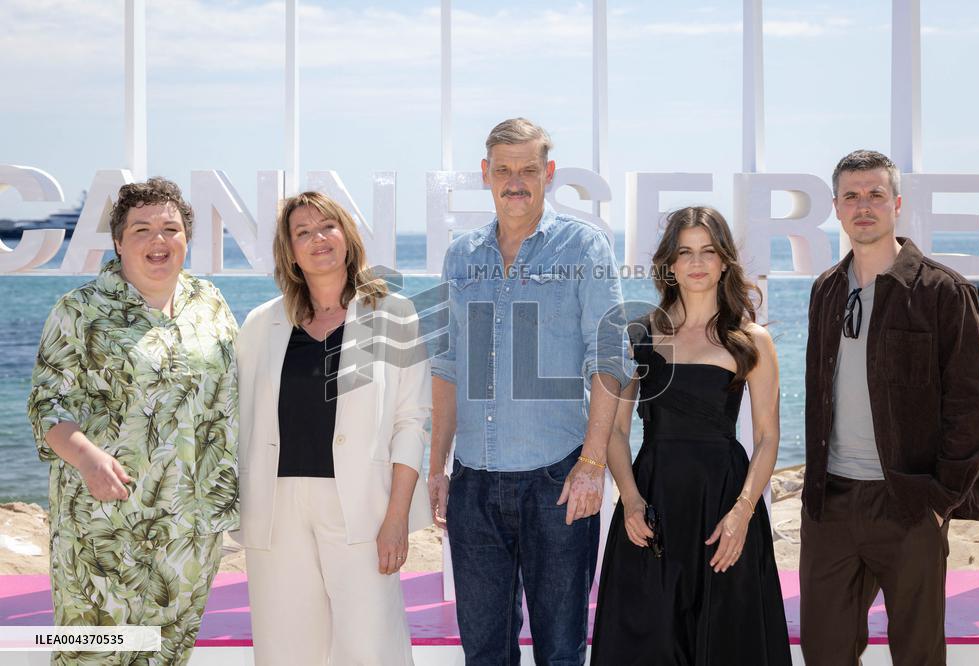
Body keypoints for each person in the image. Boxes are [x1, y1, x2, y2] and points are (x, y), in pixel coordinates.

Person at [427, 117, 630, 664]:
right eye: (503, 170)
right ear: (486, 173)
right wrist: (437, 467)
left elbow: (608, 359)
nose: (515, 182)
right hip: (472, 485)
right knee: (484, 653)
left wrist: (592, 464)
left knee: (560, 651)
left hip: (557, 482)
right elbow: (446, 366)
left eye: (528, 170)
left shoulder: (584, 247)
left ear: (549, 172)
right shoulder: (461, 256)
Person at [26, 178, 239, 665]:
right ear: (119, 242)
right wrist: (87, 457)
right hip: (103, 521)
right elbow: (47, 405)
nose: (158, 240)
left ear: (186, 238)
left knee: (168, 652)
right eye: (141, 229)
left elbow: (232, 400)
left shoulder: (210, 303)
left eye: (170, 228)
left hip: (193, 524)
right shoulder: (78, 311)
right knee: (93, 653)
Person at [800, 149, 979, 664]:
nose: (863, 206)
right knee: (824, 651)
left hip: (910, 503)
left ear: (897, 204)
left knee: (918, 654)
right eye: (851, 196)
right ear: (836, 208)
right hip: (830, 504)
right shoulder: (825, 290)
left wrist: (939, 501)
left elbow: (974, 407)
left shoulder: (942, 291)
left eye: (875, 194)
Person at [234, 191, 432, 665]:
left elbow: (411, 422)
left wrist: (397, 518)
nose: (318, 238)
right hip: (278, 510)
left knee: (371, 649)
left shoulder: (393, 315)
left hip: (363, 508)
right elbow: (235, 418)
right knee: (287, 652)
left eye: (327, 226)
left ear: (347, 236)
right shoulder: (261, 324)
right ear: (290, 252)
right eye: (302, 232)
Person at [590, 206, 792, 665]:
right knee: (648, 640)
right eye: (685, 252)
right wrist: (631, 500)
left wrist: (742, 512)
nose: (697, 262)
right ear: (670, 264)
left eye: (708, 251)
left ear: (724, 261)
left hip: (723, 506)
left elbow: (767, 437)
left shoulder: (752, 339)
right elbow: (616, 431)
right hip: (653, 505)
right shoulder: (640, 333)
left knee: (727, 642)